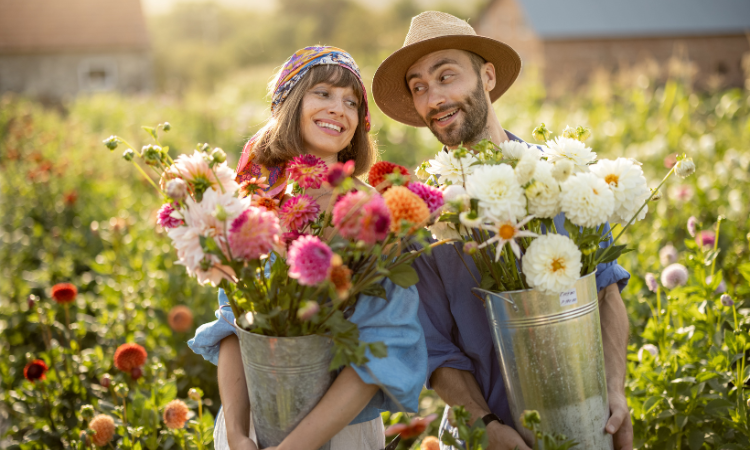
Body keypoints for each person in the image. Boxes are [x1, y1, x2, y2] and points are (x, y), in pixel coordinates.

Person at [372, 11, 634, 450]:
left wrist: (613, 391)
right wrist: (487, 425)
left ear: (487, 76)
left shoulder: (562, 178)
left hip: (589, 424)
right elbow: (437, 350)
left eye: (446, 76)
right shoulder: (422, 217)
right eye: (419, 87)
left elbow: (606, 293)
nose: (434, 97)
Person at [188, 46, 427, 450]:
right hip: (249, 427)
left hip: (339, 432)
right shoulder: (252, 202)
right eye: (324, 93)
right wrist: (237, 434)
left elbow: (383, 344)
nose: (339, 109)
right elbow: (232, 326)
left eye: (352, 102)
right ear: (290, 101)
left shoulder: (375, 214)